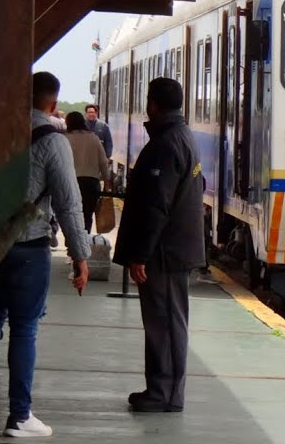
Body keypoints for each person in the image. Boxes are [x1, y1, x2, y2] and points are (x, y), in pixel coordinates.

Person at [0, 71, 91, 438]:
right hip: (29, 246)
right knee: (25, 328)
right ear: (54, 104)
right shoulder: (53, 141)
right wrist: (80, 255)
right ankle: (20, 416)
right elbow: (68, 201)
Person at [113, 78, 206, 414]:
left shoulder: (165, 145)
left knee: (163, 322)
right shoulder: (185, 138)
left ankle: (164, 393)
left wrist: (140, 254)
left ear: (153, 104)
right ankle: (165, 390)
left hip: (164, 253)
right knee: (169, 321)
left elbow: (156, 205)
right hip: (176, 249)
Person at [65, 111, 109, 233]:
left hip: (72, 183)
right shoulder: (94, 138)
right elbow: (103, 163)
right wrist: (107, 183)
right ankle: (85, 239)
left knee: (72, 215)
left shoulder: (66, 139)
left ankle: (74, 242)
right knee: (87, 215)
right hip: (92, 183)